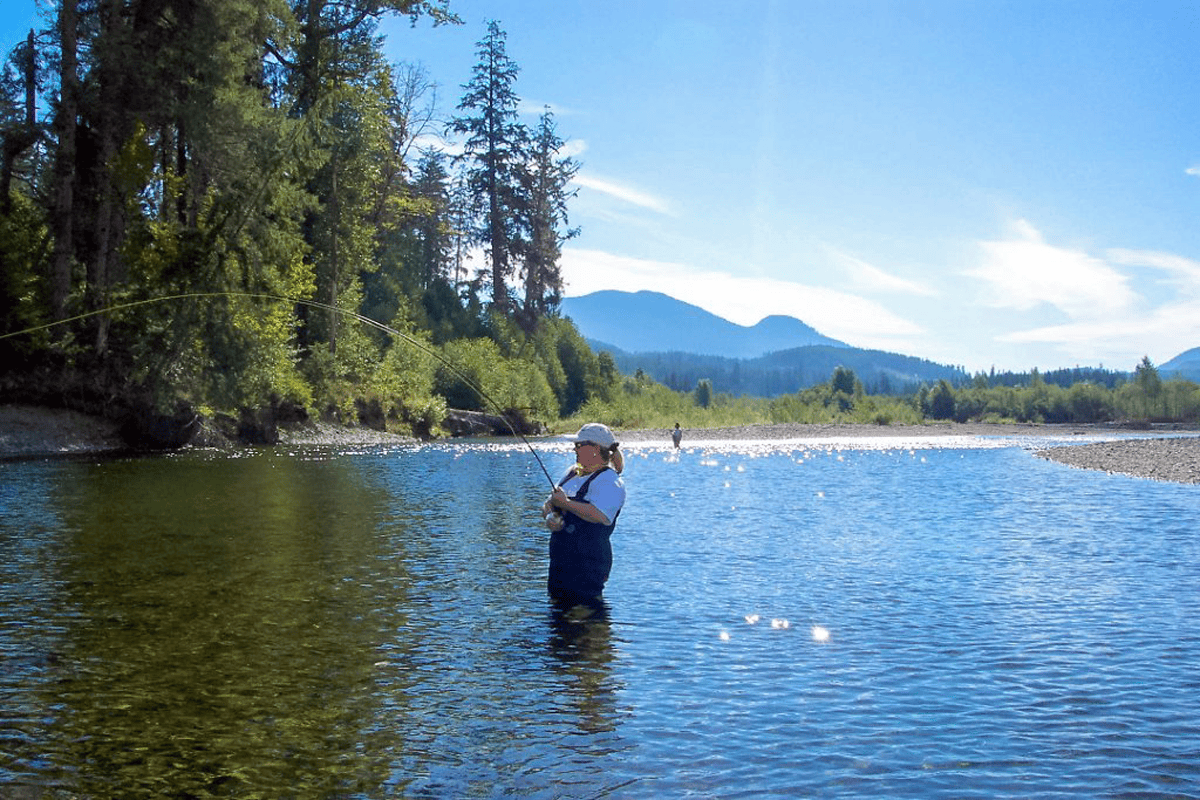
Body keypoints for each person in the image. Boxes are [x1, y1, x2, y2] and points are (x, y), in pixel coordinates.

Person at [542, 423, 626, 603]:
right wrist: (550, 515)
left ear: (596, 449)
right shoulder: (571, 473)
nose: (575, 449)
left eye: (579, 445)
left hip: (588, 566)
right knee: (558, 617)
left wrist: (566, 503)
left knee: (586, 615)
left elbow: (600, 515)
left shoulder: (610, 481)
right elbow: (550, 503)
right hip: (560, 564)